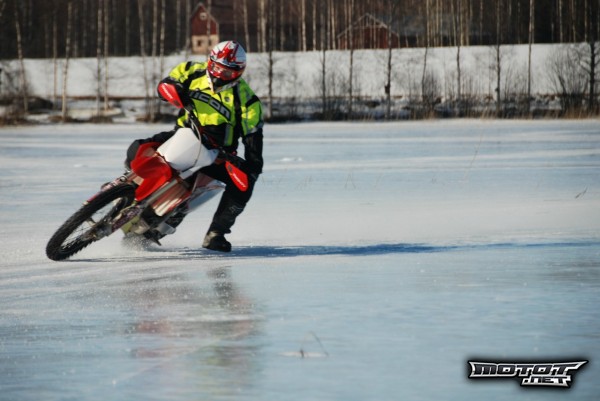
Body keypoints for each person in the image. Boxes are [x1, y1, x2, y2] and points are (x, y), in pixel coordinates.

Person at [125, 40, 263, 252]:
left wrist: (252, 163)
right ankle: (124, 188)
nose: (219, 75)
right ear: (210, 61)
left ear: (238, 72)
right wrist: (173, 90)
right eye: (216, 68)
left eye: (227, 73)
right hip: (182, 135)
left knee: (245, 184)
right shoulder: (191, 70)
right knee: (139, 146)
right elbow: (165, 86)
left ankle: (216, 233)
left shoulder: (247, 99)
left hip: (216, 153)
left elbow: (253, 136)